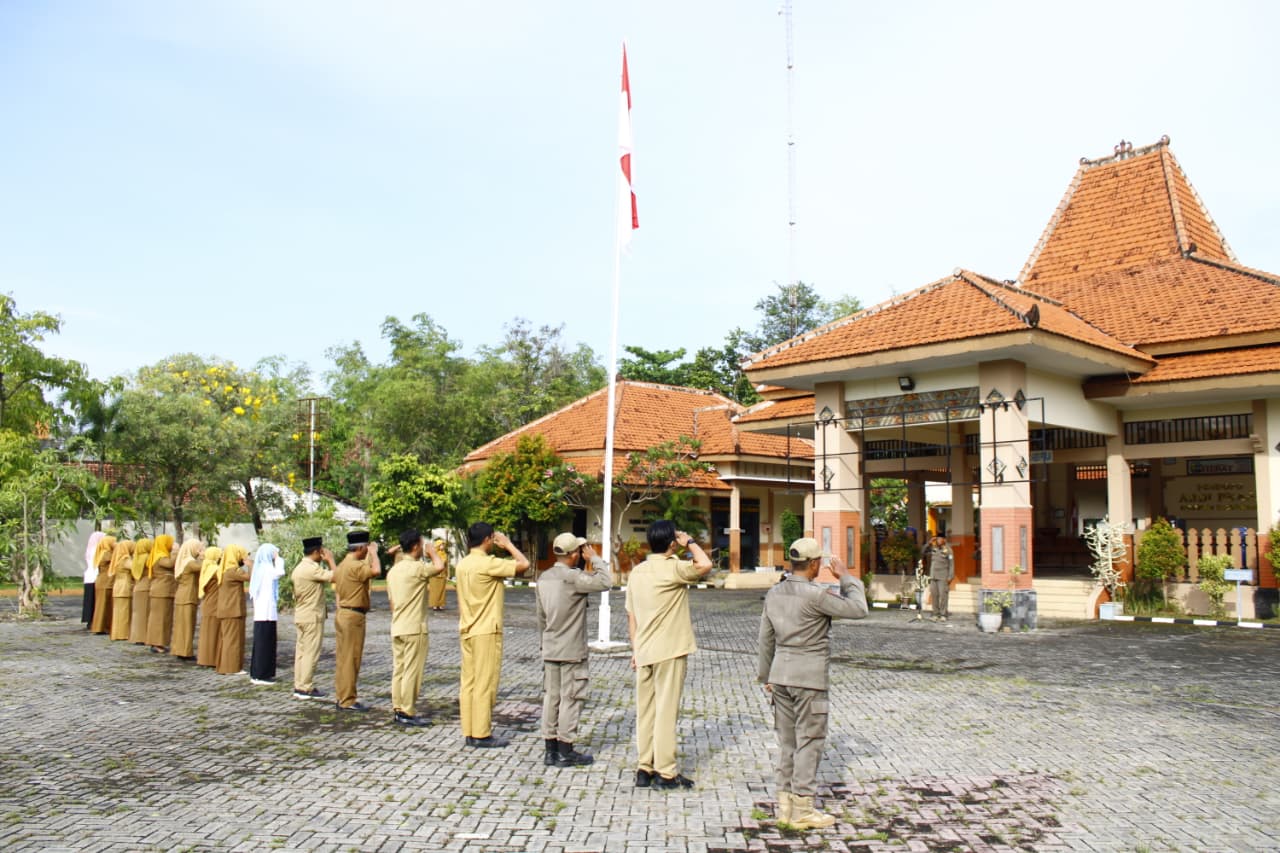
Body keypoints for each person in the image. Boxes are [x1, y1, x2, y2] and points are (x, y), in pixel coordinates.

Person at [758, 538, 868, 829]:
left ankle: (784, 805)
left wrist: (765, 674)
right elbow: (859, 609)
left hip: (780, 675)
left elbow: (765, 638)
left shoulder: (774, 593)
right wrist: (845, 576)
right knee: (810, 742)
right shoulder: (816, 596)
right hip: (809, 679)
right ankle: (803, 808)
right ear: (816, 564)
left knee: (787, 743)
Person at [626, 520, 712, 789]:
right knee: (665, 712)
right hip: (669, 650)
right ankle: (666, 771)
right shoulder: (673, 568)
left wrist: (635, 649)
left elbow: (632, 616)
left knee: (646, 711)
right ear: (672, 543)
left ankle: (644, 766)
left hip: (644, 650)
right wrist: (691, 543)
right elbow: (705, 565)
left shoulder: (637, 572)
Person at [536, 532, 612, 767]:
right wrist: (595, 559)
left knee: (551, 698)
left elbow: (541, 617)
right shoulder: (574, 578)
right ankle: (566, 748)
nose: (581, 553)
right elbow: (606, 581)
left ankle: (550, 749)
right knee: (571, 698)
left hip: (550, 647)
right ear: (572, 554)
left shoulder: (544, 578)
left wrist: (544, 642)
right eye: (579, 551)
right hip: (571, 649)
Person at [456, 522, 530, 747]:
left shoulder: (463, 564)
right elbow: (523, 564)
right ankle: (481, 733)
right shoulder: (488, 564)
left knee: (468, 682)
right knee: (485, 683)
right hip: (486, 629)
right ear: (488, 539)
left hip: (467, 627)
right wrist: (508, 544)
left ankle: (469, 730)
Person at [386, 529, 445, 726]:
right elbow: (439, 567)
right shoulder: (417, 568)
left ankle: (397, 706)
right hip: (414, 627)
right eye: (421, 544)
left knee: (399, 669)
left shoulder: (393, 571)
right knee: (412, 670)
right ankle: (407, 710)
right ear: (415, 547)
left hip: (398, 625)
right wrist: (433, 552)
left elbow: (392, 601)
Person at [333, 530, 382, 711]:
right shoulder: (354, 566)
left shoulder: (343, 565)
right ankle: (348, 700)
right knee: (351, 659)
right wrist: (375, 554)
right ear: (361, 548)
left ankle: (342, 696)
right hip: (353, 616)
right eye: (366, 548)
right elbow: (376, 570)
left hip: (344, 613)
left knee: (343, 658)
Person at [291, 537, 336, 701]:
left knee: (301, 653)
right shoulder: (311, 569)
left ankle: (299, 684)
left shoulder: (299, 568)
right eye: (321, 551)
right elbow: (336, 576)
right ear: (316, 551)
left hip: (302, 615)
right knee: (311, 652)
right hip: (312, 616)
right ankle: (306, 687)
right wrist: (331, 560)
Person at [248, 543, 285, 685]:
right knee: (263, 644)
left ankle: (263, 673)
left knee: (266, 644)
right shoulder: (266, 568)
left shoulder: (262, 568)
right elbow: (280, 572)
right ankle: (260, 675)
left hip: (266, 613)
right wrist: (278, 558)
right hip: (265, 614)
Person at [215, 544, 253, 675]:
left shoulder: (225, 570)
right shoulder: (233, 571)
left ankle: (225, 666)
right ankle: (232, 668)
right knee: (233, 640)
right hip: (232, 610)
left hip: (226, 609)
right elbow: (251, 578)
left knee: (227, 639)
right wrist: (250, 564)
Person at [170, 539, 204, 660]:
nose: (200, 550)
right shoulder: (190, 563)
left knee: (181, 625)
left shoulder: (184, 560)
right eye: (198, 548)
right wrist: (204, 556)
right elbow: (203, 567)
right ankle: (185, 652)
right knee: (187, 625)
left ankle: (179, 649)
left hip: (182, 595)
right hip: (188, 596)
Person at [145, 534, 177, 652]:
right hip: (161, 590)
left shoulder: (158, 554)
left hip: (163, 589)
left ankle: (160, 642)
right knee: (160, 618)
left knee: (164, 618)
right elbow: (170, 564)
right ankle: (157, 643)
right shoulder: (160, 556)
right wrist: (175, 552)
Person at [196, 546, 223, 668]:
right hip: (214, 603)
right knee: (212, 632)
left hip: (207, 602)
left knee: (206, 632)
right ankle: (210, 659)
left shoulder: (206, 566)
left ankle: (204, 658)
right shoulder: (215, 569)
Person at [922, 535, 954, 622]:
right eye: (937, 539)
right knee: (934, 595)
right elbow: (923, 552)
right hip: (933, 576)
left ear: (944, 540)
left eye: (940, 539)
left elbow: (951, 564)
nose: (939, 540)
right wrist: (929, 542)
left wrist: (950, 576)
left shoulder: (948, 550)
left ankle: (943, 614)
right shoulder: (933, 548)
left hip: (943, 576)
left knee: (943, 596)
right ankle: (935, 613)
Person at [110, 539, 136, 642]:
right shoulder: (125, 559)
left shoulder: (117, 558)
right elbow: (135, 568)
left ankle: (117, 633)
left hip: (118, 586)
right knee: (124, 612)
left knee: (118, 613)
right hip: (125, 586)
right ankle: (123, 634)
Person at [129, 536, 153, 645]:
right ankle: (142, 637)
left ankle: (136, 636)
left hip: (137, 586)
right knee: (145, 614)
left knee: (138, 614)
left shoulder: (136, 557)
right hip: (146, 587)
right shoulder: (148, 558)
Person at [82, 532, 104, 629]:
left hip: (88, 577)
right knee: (95, 601)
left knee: (89, 600)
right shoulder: (98, 550)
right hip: (95, 576)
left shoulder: (89, 549)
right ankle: (94, 621)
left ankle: (89, 621)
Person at [427, 537, 449, 611]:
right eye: (441, 545)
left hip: (442, 574)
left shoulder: (445, 554)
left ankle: (440, 604)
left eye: (443, 545)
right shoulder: (435, 554)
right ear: (437, 546)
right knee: (434, 590)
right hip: (435, 574)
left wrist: (447, 574)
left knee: (442, 590)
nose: (442, 546)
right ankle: (434, 605)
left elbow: (446, 565)